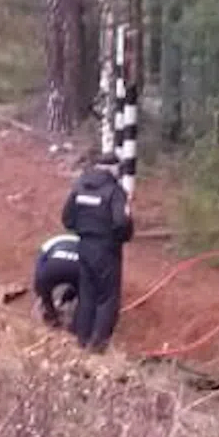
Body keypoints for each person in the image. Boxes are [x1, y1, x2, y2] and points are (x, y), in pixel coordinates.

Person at [61, 151, 135, 353]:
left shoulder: (79, 187)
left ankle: (81, 341)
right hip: (106, 249)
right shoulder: (115, 191)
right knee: (107, 298)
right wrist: (120, 237)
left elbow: (67, 218)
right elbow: (121, 222)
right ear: (112, 169)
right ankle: (98, 346)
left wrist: (84, 230)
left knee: (87, 295)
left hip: (84, 246)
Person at [32, 233, 83, 329]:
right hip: (78, 268)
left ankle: (51, 316)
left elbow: (39, 266)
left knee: (44, 287)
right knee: (82, 289)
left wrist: (41, 291)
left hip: (53, 267)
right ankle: (76, 325)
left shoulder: (52, 242)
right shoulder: (84, 243)